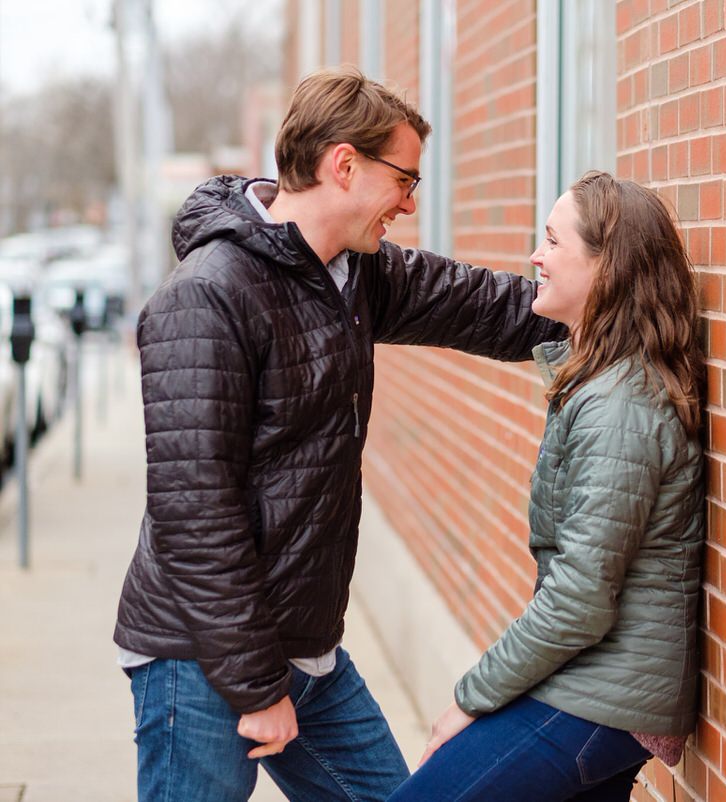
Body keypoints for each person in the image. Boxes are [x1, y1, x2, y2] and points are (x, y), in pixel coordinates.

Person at [112, 66, 565, 802]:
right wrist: (257, 686)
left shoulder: (353, 274)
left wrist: (602, 309)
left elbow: (482, 305)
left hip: (305, 649)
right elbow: (195, 514)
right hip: (202, 660)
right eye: (404, 181)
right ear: (344, 164)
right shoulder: (206, 297)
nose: (410, 205)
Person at [387, 171, 706, 802]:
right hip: (596, 689)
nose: (536, 257)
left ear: (606, 268)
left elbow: (579, 598)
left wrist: (470, 699)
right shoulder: (603, 385)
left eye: (554, 243)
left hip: (600, 697)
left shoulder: (622, 406)